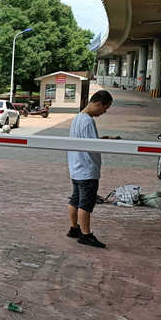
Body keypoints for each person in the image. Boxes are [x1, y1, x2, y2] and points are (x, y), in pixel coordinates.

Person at [66, 89, 116, 248]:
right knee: (85, 204)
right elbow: (91, 145)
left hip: (76, 167)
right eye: (104, 108)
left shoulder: (77, 118)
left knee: (75, 199)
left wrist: (100, 140)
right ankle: (86, 235)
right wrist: (103, 143)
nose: (104, 112)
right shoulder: (88, 120)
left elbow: (84, 140)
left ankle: (74, 228)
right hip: (87, 169)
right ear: (98, 103)